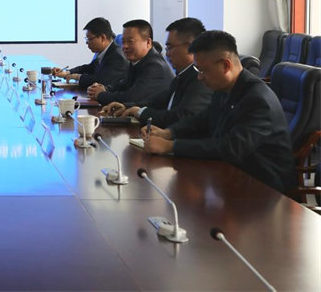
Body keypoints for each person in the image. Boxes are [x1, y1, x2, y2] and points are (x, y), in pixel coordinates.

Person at [143, 30, 294, 193]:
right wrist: (169, 133)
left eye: (203, 71)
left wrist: (171, 146)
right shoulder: (225, 87)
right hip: (230, 176)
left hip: (264, 190)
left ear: (226, 65)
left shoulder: (258, 100)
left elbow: (230, 147)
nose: (199, 77)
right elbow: (203, 119)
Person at [100, 17, 213, 127]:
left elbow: (182, 117)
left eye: (170, 48)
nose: (167, 54)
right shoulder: (183, 74)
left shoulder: (200, 78)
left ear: (190, 47)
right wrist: (127, 107)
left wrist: (140, 112)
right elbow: (158, 102)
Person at [87, 19, 174, 105]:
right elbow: (125, 85)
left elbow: (132, 97)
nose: (125, 46)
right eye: (123, 42)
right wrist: (105, 88)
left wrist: (100, 95)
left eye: (130, 41)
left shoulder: (155, 66)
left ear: (148, 42)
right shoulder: (138, 60)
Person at [51, 17, 128, 89]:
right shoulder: (104, 52)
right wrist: (67, 73)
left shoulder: (117, 56)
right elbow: (89, 68)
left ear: (102, 38)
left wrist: (78, 77)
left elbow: (102, 81)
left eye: (89, 39)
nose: (87, 42)